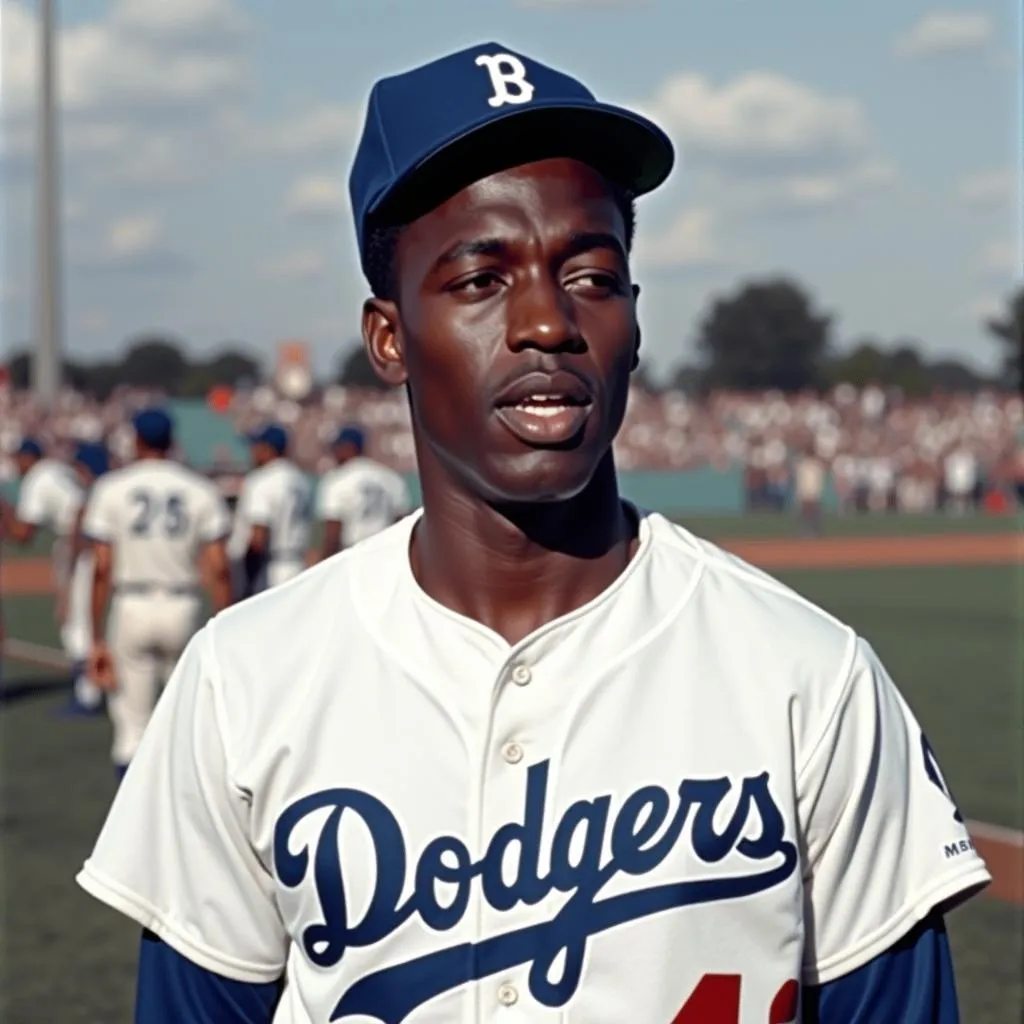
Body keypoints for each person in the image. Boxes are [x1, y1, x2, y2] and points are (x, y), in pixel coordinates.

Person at [77, 43, 988, 1023]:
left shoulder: (810, 677)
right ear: (388, 337)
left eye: (592, 276)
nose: (547, 321)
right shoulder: (243, 679)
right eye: (479, 280)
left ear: (635, 322)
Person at [83, 408, 233, 781]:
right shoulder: (199, 488)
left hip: (131, 603)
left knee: (133, 727)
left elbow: (101, 566)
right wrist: (228, 625)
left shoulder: (111, 487)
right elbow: (218, 566)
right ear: (172, 441)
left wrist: (96, 637)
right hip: (182, 605)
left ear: (136, 441)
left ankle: (134, 829)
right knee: (188, 723)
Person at [0, 437, 100, 712]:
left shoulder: (38, 478)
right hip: (87, 542)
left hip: (81, 545)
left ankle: (88, 695)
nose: (17, 466)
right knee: (81, 619)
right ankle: (89, 689)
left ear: (28, 458)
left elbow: (23, 534)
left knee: (76, 625)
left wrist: (4, 512)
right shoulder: (55, 470)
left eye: (18, 459)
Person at [226, 423, 312, 599]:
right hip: (296, 566)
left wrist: (247, 587)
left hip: (269, 573)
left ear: (267, 449)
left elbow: (258, 538)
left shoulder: (262, 479)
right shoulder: (300, 479)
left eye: (255, 446)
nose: (252, 451)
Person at [316, 424, 411, 559]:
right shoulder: (391, 478)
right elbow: (403, 524)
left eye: (337, 448)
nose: (333, 453)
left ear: (349, 448)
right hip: (386, 556)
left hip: (353, 555)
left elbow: (333, 534)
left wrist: (324, 567)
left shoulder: (337, 479)